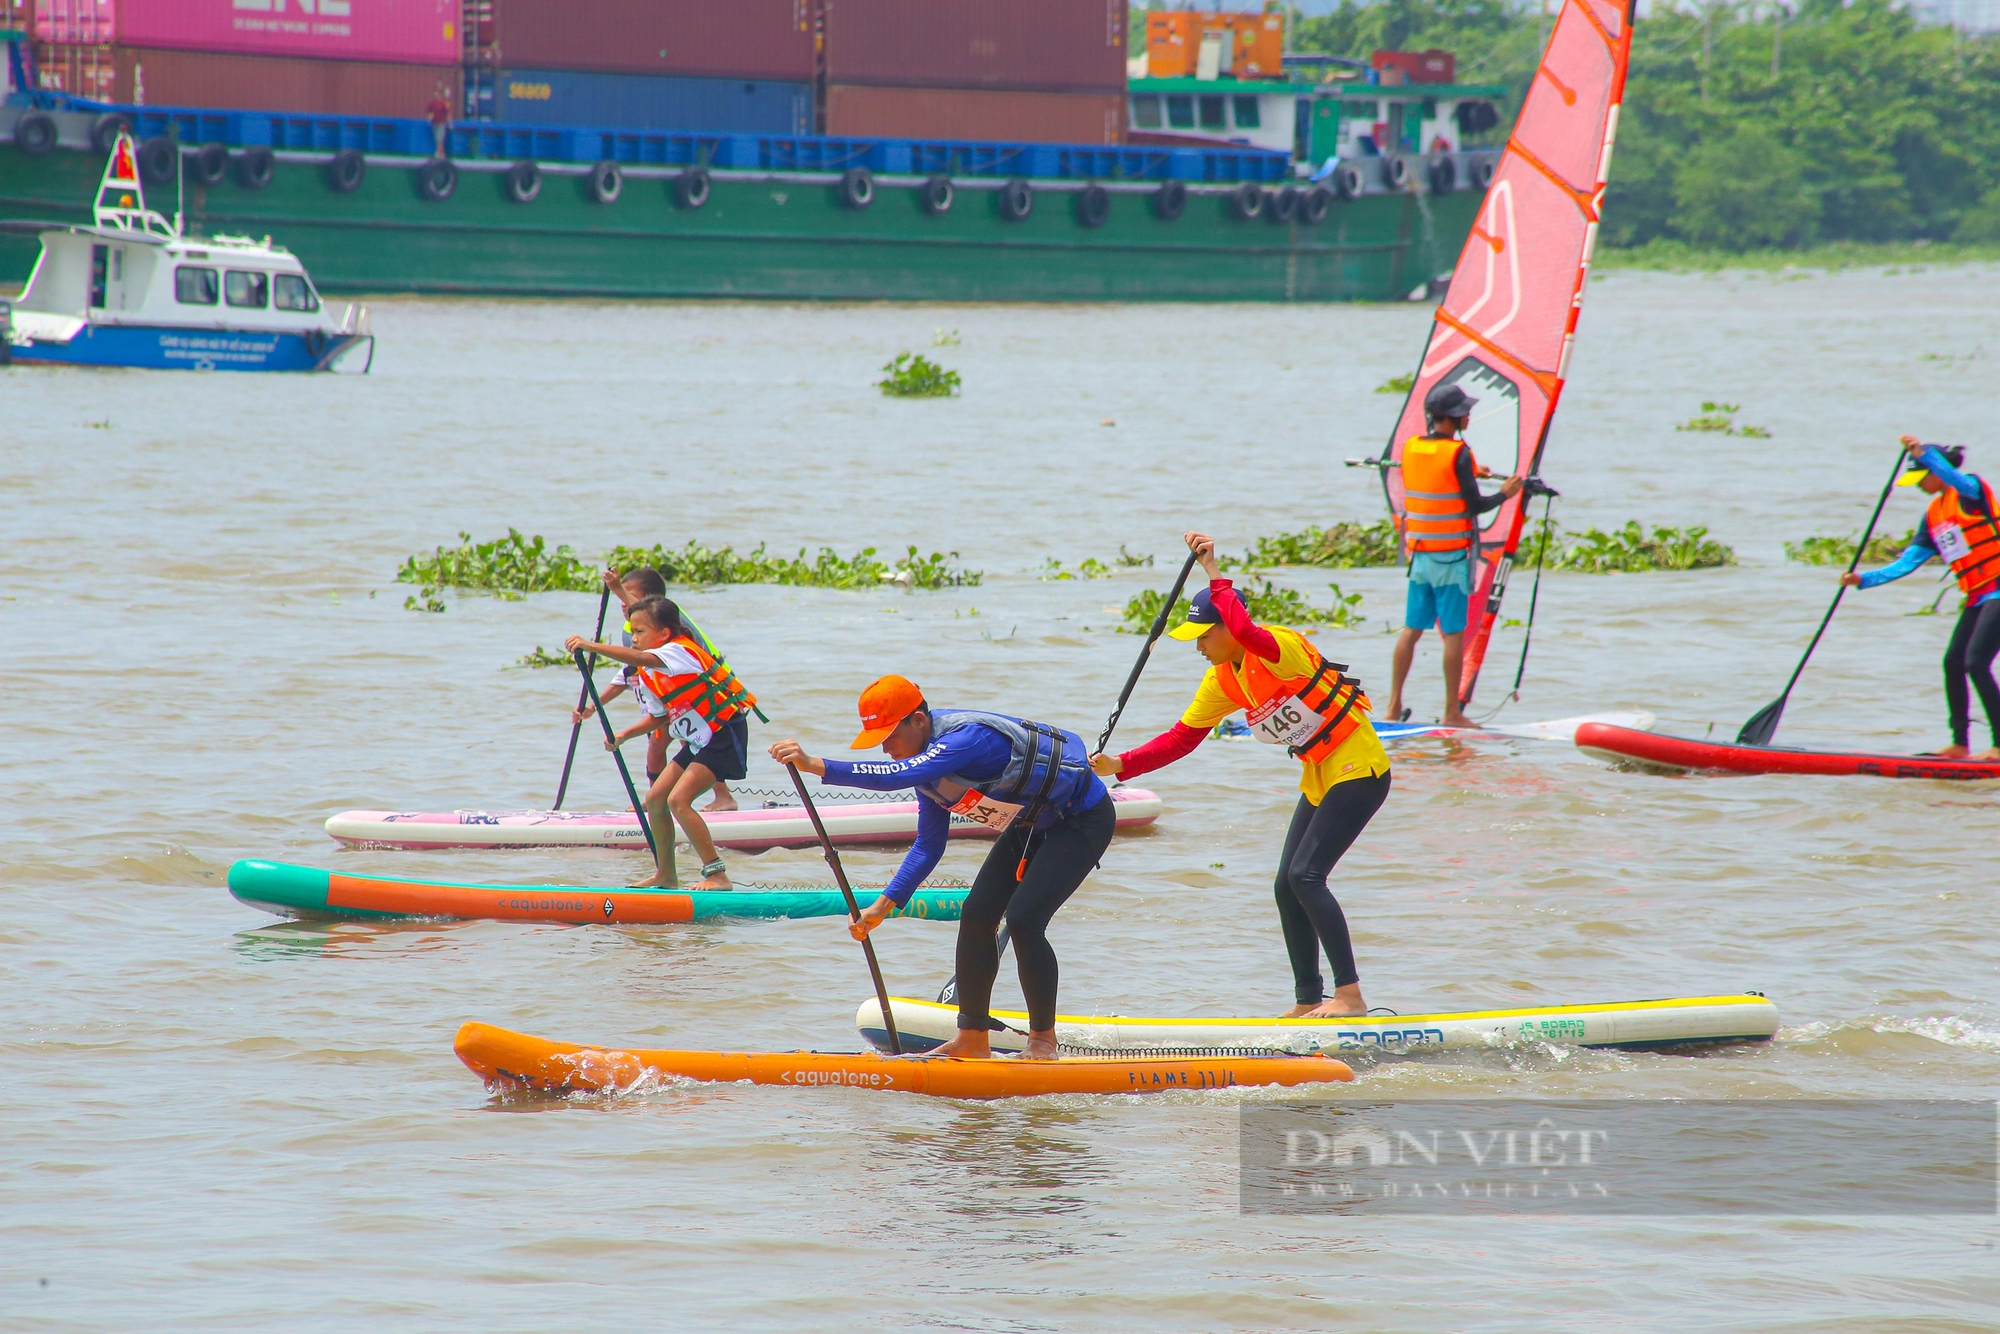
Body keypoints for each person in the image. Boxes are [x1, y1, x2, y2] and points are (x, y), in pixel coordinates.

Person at [1090, 532, 1391, 1019]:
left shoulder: (1279, 649)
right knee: (1284, 884)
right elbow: (1181, 738)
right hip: (1321, 775)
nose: (1200, 647)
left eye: (1205, 635)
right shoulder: (1222, 678)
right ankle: (1307, 1001)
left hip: (1360, 768)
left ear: (1228, 626)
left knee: (1306, 876)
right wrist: (1118, 764)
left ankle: (1350, 996)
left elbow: (1250, 633)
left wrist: (1213, 570)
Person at [769, 676, 1112, 1060]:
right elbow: (929, 845)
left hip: (1082, 821)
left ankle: (1042, 1043)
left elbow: (896, 776)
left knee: (1023, 920)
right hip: (1031, 824)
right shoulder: (928, 771)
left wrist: (815, 764)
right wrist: (882, 907)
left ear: (918, 720)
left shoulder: (965, 741)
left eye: (889, 736)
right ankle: (972, 1038)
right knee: (977, 914)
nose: (885, 748)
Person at [565, 597, 757, 889]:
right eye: (632, 631)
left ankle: (717, 875)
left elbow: (641, 658)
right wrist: (623, 735)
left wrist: (591, 646)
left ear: (664, 633)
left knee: (678, 801)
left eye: (640, 631)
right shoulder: (649, 673)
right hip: (698, 740)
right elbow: (659, 718)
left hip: (723, 732)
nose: (633, 638)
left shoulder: (679, 651)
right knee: (656, 799)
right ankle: (666, 875)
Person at [1840, 435, 2000, 760]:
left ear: (1936, 470)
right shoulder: (1933, 515)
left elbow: (1954, 477)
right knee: (1953, 663)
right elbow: (1908, 562)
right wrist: (1863, 579)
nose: (1917, 485)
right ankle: (1959, 744)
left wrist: (1922, 454)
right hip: (1977, 596)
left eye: (1921, 476)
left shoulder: (1971, 491)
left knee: (1976, 662)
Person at [1383, 380, 1523, 727]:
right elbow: (1475, 505)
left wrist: (1473, 471)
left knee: (1411, 631)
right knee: (1453, 634)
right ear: (1453, 417)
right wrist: (1506, 493)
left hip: (1421, 558)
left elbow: (1436, 476)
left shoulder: (1413, 447)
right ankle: (1451, 713)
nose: (1470, 417)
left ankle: (1391, 707)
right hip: (1451, 559)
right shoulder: (1459, 452)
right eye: (1466, 412)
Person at [573, 564, 737, 812]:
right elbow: (626, 675)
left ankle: (722, 797)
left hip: (704, 697)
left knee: (686, 741)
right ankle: (655, 800)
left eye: (630, 595)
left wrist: (616, 588)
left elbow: (642, 652)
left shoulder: (670, 620)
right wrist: (592, 707)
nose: (622, 601)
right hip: (670, 703)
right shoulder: (634, 632)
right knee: (658, 746)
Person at [426, 85, 453, 159]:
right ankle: (442, 153)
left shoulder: (443, 103)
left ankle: (438, 153)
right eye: (434, 94)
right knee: (437, 139)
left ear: (439, 95)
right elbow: (430, 112)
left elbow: (448, 113)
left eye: (436, 94)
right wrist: (429, 118)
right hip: (435, 123)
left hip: (441, 123)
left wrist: (450, 123)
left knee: (439, 138)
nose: (435, 96)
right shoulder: (432, 103)